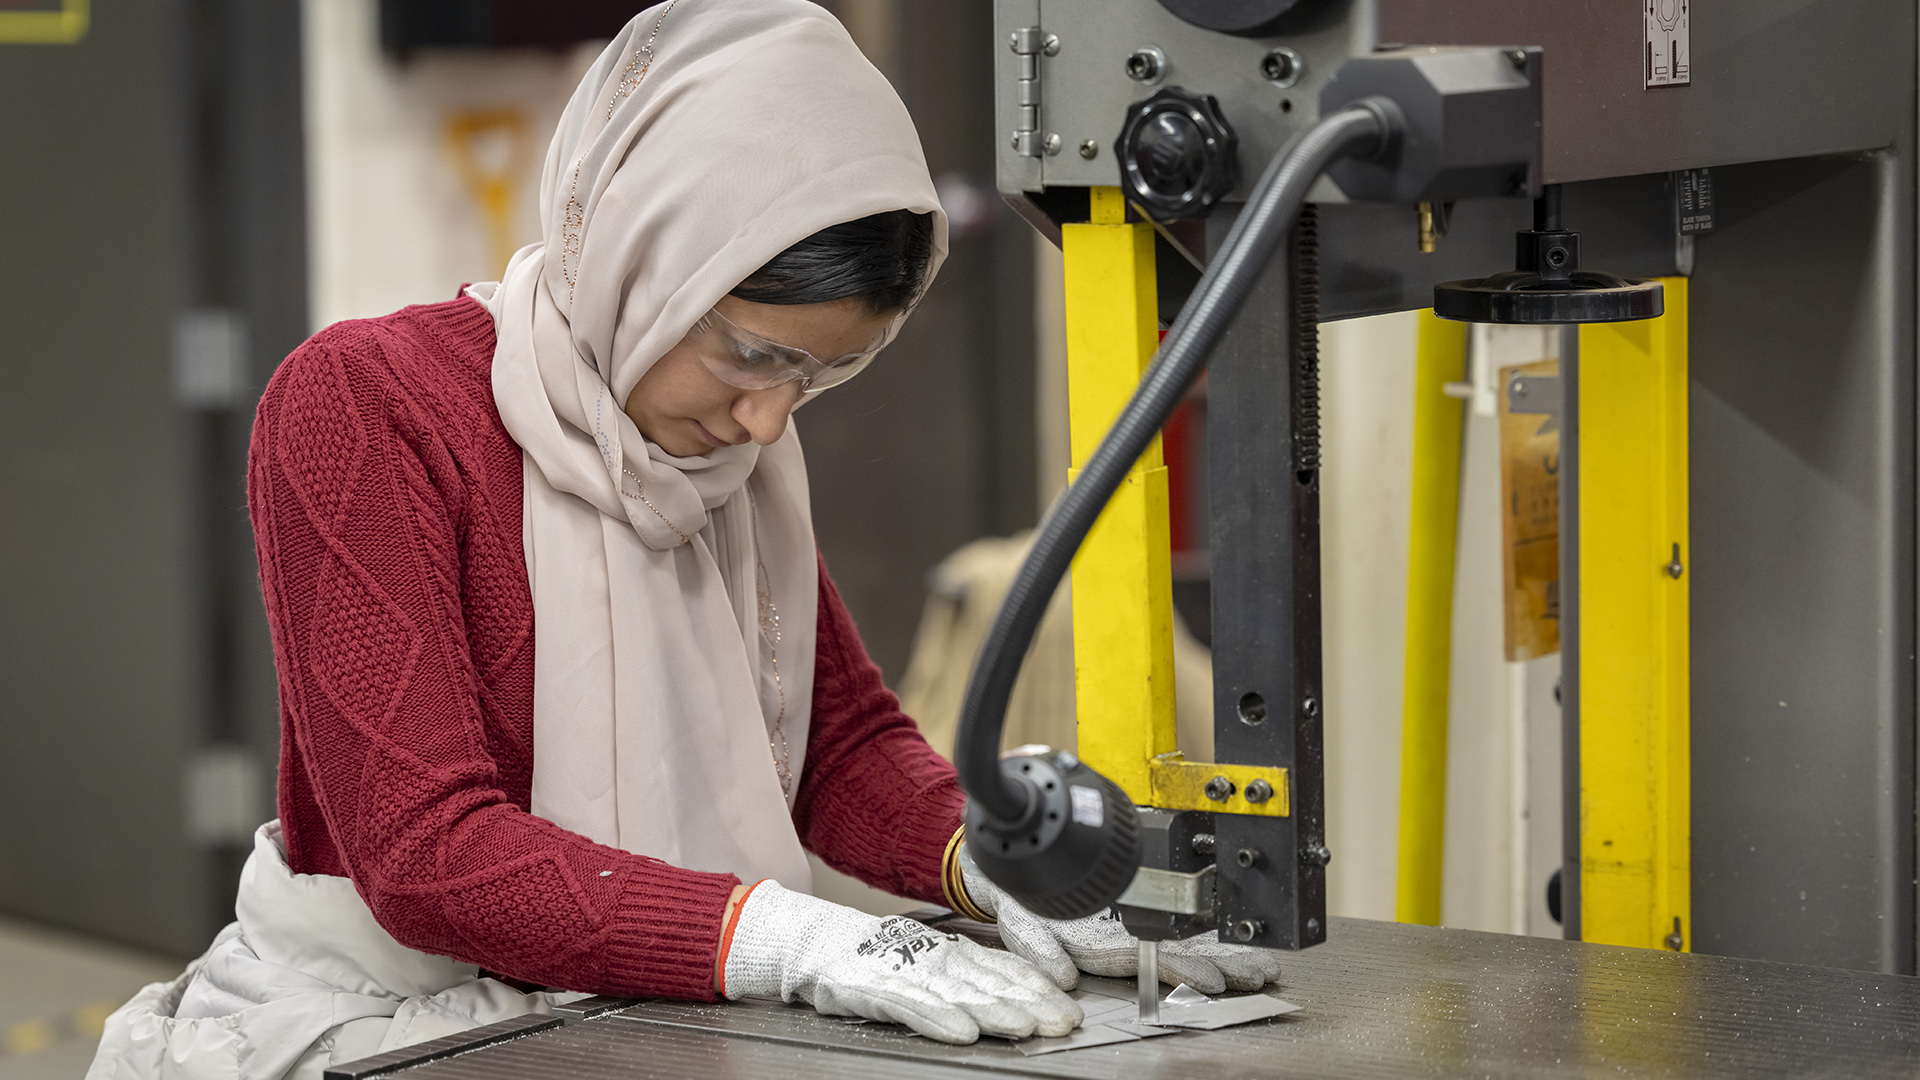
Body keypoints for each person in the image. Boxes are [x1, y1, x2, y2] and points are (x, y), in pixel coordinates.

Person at [87, 2, 1278, 1076]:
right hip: (381, 1020)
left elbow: (840, 749)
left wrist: (996, 872)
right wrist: (780, 934)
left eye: (821, 375)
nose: (767, 419)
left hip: (653, 1012)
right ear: (644, 256)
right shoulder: (364, 408)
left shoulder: (726, 452)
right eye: (752, 355)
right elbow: (424, 852)